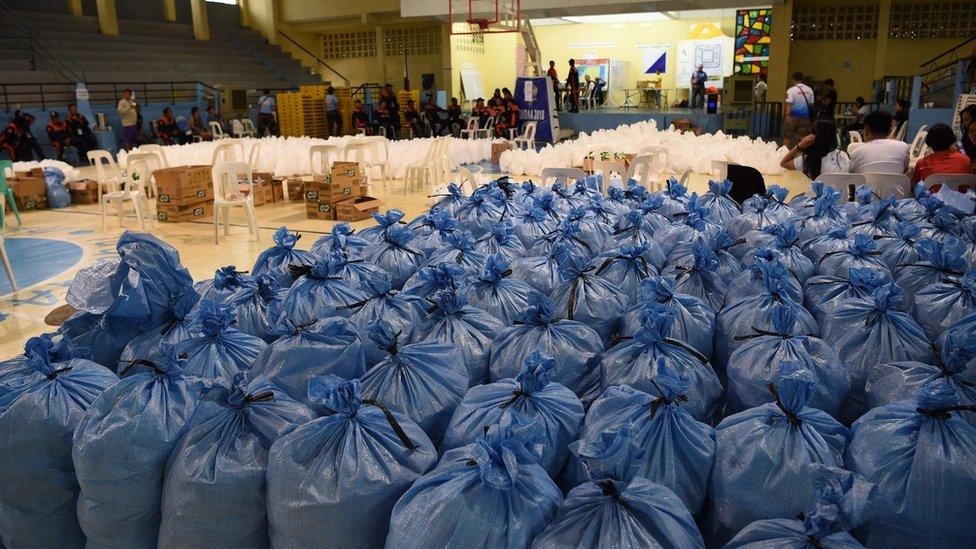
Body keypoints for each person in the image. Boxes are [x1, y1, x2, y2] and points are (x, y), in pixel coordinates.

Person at [779, 119, 850, 180]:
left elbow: (784, 163)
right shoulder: (843, 155)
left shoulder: (809, 159)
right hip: (842, 195)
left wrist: (799, 146)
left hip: (818, 195)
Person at [849, 110, 910, 175]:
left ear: (867, 130)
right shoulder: (903, 147)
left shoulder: (856, 153)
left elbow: (852, 178)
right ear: (890, 131)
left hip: (866, 185)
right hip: (896, 185)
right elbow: (904, 169)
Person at [783, 71, 815, 148]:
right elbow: (811, 104)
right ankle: (803, 155)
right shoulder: (809, 90)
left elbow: (789, 104)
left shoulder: (791, 90)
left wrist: (787, 116)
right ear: (802, 79)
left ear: (793, 79)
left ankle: (786, 154)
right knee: (803, 137)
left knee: (787, 137)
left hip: (792, 117)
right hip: (805, 118)